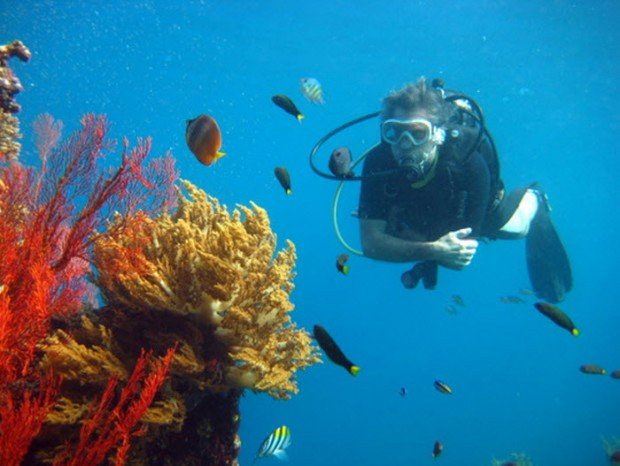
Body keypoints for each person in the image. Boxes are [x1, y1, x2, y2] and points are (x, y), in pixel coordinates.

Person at [357, 77, 572, 302]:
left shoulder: (469, 163)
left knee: (514, 228)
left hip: (471, 206)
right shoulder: (378, 161)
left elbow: (460, 256)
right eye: (394, 132)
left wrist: (415, 245)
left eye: (418, 133)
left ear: (438, 135)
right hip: (419, 211)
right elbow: (370, 245)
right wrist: (433, 249)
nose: (405, 144)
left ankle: (535, 200)